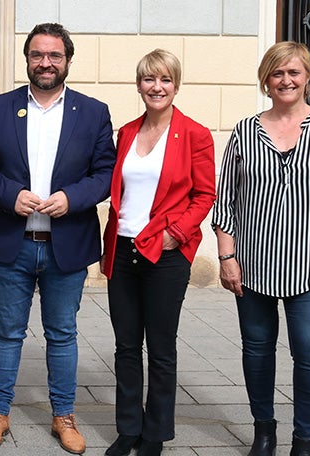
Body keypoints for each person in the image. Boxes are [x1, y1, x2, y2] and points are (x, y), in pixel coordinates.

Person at [212, 41, 310, 456]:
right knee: (257, 352)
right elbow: (227, 201)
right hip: (253, 266)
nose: (286, 80)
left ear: (308, 76)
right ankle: (264, 432)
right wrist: (226, 257)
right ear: (266, 79)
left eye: (294, 72)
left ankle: (304, 440)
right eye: (277, 73)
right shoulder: (245, 131)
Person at [0, 22, 116, 455]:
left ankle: (64, 416)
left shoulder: (92, 112)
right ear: (27, 60)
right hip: (11, 242)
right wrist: (8, 195)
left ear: (68, 61)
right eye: (38, 55)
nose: (46, 63)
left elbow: (106, 173)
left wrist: (72, 198)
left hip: (66, 244)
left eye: (55, 55)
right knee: (7, 333)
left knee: (62, 334)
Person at [100, 49, 216, 456]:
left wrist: (176, 234)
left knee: (161, 348)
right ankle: (129, 428)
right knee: (126, 347)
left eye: (165, 80)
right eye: (149, 79)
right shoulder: (127, 132)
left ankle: (155, 434)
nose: (157, 87)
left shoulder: (195, 134)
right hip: (124, 249)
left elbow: (204, 196)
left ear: (176, 85)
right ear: (139, 85)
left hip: (165, 252)